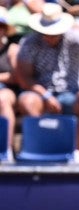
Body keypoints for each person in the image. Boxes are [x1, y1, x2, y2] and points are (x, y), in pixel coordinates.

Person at [15, 3, 79, 164]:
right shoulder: (29, 42)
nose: (50, 36)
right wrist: (45, 95)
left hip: (72, 93)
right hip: (40, 92)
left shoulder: (75, 36)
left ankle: (75, 151)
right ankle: (39, 147)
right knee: (26, 101)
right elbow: (24, 77)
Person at [0, 7, 19, 160]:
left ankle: (6, 150)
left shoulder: (12, 49)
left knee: (3, 99)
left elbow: (16, 76)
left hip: (9, 90)